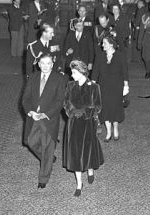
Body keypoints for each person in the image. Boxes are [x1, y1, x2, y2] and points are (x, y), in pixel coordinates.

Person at [22, 53, 67, 189]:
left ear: (52, 64)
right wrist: (31, 112)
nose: (46, 66)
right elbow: (25, 98)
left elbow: (60, 101)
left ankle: (43, 178)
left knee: (47, 146)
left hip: (49, 119)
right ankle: (48, 158)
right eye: (43, 63)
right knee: (30, 141)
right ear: (38, 64)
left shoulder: (59, 79)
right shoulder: (33, 77)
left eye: (48, 63)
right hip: (34, 117)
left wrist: (45, 114)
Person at [63, 60, 104, 197]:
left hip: (88, 123)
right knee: (75, 152)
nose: (72, 75)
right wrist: (72, 112)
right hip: (74, 123)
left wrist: (86, 112)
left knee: (88, 148)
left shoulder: (94, 87)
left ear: (82, 72)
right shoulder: (70, 85)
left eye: (74, 73)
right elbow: (66, 103)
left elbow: (97, 106)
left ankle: (90, 168)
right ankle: (79, 183)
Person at [92, 35, 129, 142]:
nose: (102, 45)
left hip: (117, 86)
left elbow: (125, 71)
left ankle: (115, 128)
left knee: (115, 107)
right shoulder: (99, 56)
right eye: (102, 43)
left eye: (105, 43)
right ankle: (108, 132)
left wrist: (126, 85)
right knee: (105, 108)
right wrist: (92, 84)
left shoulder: (120, 55)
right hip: (103, 86)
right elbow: (95, 72)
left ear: (111, 44)